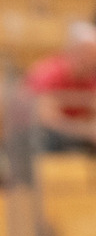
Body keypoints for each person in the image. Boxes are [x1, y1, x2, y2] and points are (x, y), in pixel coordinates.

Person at [24, 21, 96, 153]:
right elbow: (46, 119)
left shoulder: (91, 78)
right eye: (87, 54)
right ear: (74, 51)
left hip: (72, 137)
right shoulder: (48, 73)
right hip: (36, 137)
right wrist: (85, 131)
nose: (91, 61)